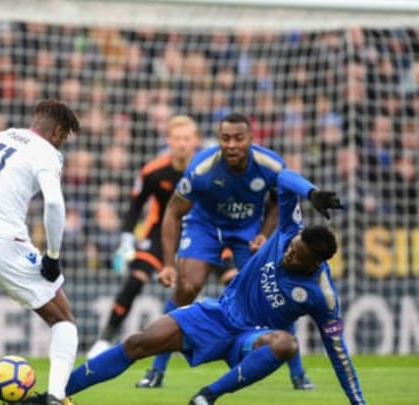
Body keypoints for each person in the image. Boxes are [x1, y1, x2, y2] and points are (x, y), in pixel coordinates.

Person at [61, 170, 367, 405]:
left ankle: (206, 396)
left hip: (250, 338)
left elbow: (338, 353)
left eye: (296, 257)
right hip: (218, 314)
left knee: (286, 344)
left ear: (313, 264)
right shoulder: (289, 230)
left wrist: (359, 402)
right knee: (137, 342)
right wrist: (310, 191)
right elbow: (284, 177)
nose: (288, 253)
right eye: (290, 249)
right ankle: (56, 394)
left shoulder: (322, 295)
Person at [139, 112, 321, 390]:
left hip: (247, 232)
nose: (232, 144)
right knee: (187, 286)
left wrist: (263, 233)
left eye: (239, 138)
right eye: (226, 138)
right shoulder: (201, 168)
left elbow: (280, 202)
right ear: (219, 140)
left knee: (272, 295)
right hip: (205, 227)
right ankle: (156, 370)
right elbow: (172, 212)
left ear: (251, 139)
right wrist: (167, 264)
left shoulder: (270, 165)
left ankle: (298, 373)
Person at [0, 100, 80, 405]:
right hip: (4, 242)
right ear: (57, 131)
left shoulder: (4, 136)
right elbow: (55, 204)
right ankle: (57, 397)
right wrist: (53, 255)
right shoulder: (48, 152)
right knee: (64, 321)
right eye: (64, 138)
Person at [87, 115, 232, 359]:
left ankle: (244, 336)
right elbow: (134, 207)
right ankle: (104, 338)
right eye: (177, 139)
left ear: (195, 141)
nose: (182, 144)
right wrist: (126, 240)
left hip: (202, 232)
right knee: (135, 279)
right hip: (160, 233)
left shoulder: (210, 170)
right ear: (169, 141)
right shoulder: (153, 172)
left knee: (232, 279)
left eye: (187, 139)